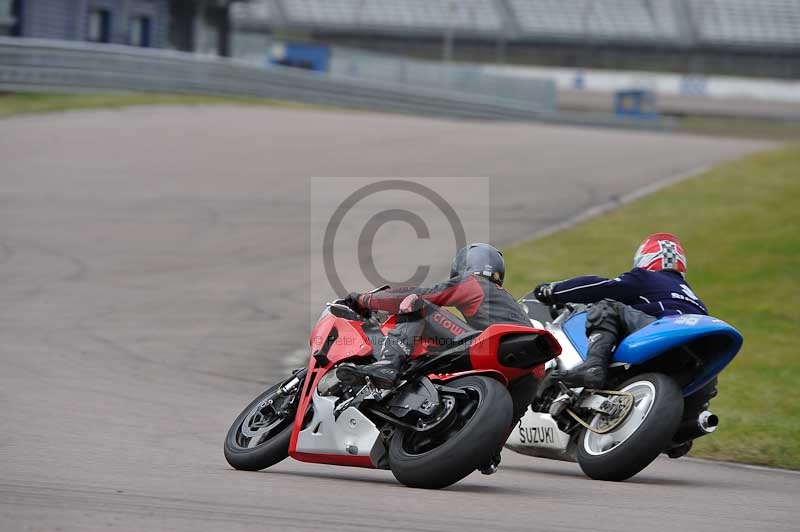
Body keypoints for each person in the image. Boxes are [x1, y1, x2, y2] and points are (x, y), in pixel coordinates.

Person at [336, 243, 532, 388]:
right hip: (531, 370)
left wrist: (364, 299)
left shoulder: (473, 283)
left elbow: (416, 295)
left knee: (415, 303)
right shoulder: (509, 301)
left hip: (491, 348)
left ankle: (388, 365)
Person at [533, 233, 708, 389]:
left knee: (606, 306)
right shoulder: (695, 299)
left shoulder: (646, 277)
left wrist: (553, 291)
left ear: (646, 258)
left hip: (660, 328)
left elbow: (599, 287)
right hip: (691, 355)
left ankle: (593, 366)